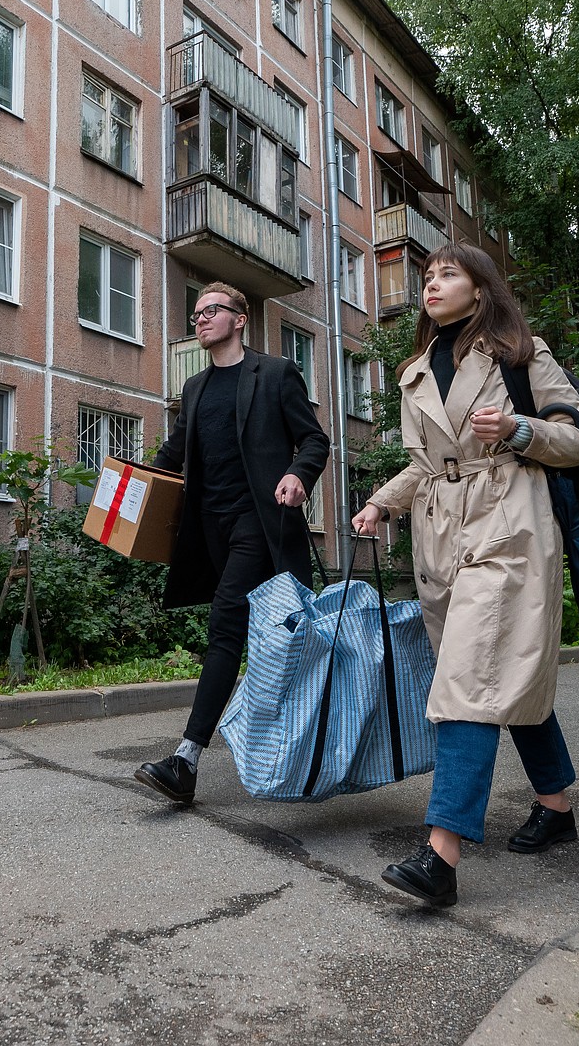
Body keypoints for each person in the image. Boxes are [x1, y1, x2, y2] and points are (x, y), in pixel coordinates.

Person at [351, 243, 579, 908]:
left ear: (481, 288)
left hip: (508, 528)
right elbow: (429, 465)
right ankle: (557, 805)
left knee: (469, 680)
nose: (432, 283)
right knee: (497, 675)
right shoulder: (414, 371)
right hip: (439, 541)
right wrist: (381, 501)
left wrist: (520, 428)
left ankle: (441, 858)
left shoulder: (520, 353)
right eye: (427, 276)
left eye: (448, 274)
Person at [134, 282, 330, 805]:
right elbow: (173, 454)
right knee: (265, 640)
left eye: (211, 311)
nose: (199, 319)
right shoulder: (195, 387)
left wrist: (298, 476)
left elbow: (314, 439)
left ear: (239, 319)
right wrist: (129, 490)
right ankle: (297, 747)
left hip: (261, 525)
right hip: (211, 529)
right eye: (195, 313)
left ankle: (186, 760)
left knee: (224, 626)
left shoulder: (274, 373)